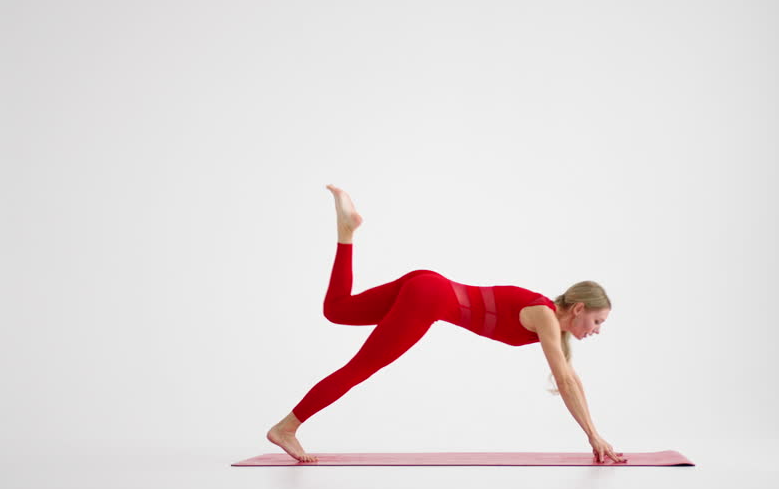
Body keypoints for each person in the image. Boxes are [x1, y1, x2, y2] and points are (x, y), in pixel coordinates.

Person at [265, 185, 625, 464]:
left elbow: (570, 376)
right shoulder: (545, 316)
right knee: (360, 368)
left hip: (427, 284)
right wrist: (593, 437)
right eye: (597, 321)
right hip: (429, 298)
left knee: (337, 310)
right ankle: (287, 427)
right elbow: (563, 380)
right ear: (577, 308)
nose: (596, 330)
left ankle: (346, 232)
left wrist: (596, 433)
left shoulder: (551, 323)